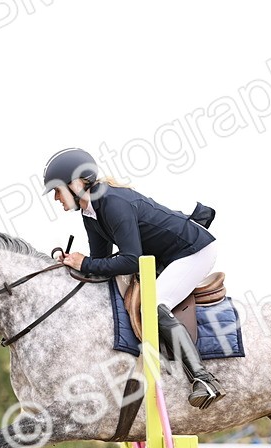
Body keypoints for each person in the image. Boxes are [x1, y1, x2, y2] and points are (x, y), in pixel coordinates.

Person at [42, 147, 224, 409]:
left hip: (193, 251)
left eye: (57, 190)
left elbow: (131, 260)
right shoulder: (90, 213)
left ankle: (204, 379)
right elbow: (101, 263)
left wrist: (87, 263)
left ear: (75, 183)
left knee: (152, 304)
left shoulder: (114, 203)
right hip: (165, 256)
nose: (56, 198)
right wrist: (74, 265)